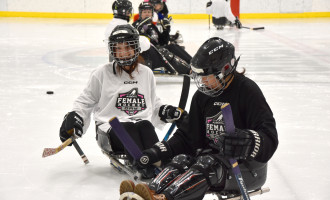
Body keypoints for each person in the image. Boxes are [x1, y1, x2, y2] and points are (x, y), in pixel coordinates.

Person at [119, 37, 279, 200]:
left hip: (247, 168)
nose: (202, 81)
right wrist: (158, 151)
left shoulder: (247, 91)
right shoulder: (203, 95)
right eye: (200, 76)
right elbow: (189, 137)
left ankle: (163, 199)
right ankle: (151, 192)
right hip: (213, 161)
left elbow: (270, 137)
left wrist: (249, 140)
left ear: (225, 69)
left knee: (207, 163)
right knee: (181, 160)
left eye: (207, 76)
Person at [59, 24, 185, 178]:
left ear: (136, 48)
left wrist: (165, 110)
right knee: (127, 127)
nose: (123, 53)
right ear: (112, 50)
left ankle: (159, 163)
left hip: (138, 123)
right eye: (118, 48)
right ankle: (145, 168)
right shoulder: (101, 73)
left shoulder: (146, 73)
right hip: (109, 128)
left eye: (127, 47)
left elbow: (152, 102)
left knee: (145, 125)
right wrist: (76, 117)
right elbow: (85, 102)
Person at [132, 2, 192, 74]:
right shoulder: (137, 24)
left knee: (174, 46)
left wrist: (166, 29)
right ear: (140, 13)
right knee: (169, 49)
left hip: (157, 50)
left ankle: (192, 62)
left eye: (149, 12)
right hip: (147, 54)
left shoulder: (152, 25)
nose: (147, 14)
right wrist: (141, 27)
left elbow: (163, 42)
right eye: (144, 12)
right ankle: (189, 69)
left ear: (152, 14)